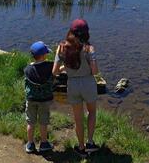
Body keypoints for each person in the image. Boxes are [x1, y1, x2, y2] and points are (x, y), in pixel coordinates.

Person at [52, 19, 100, 157]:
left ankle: (81, 148)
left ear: (70, 32)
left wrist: (64, 68)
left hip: (72, 84)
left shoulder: (61, 48)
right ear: (86, 33)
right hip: (88, 83)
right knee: (92, 113)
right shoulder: (88, 48)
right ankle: (90, 143)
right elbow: (95, 71)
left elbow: (54, 72)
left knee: (78, 119)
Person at [24, 41, 54, 154]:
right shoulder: (50, 66)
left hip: (31, 99)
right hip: (44, 100)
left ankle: (30, 144)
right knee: (43, 122)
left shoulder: (27, 69)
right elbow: (56, 70)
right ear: (44, 55)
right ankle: (44, 143)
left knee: (30, 122)